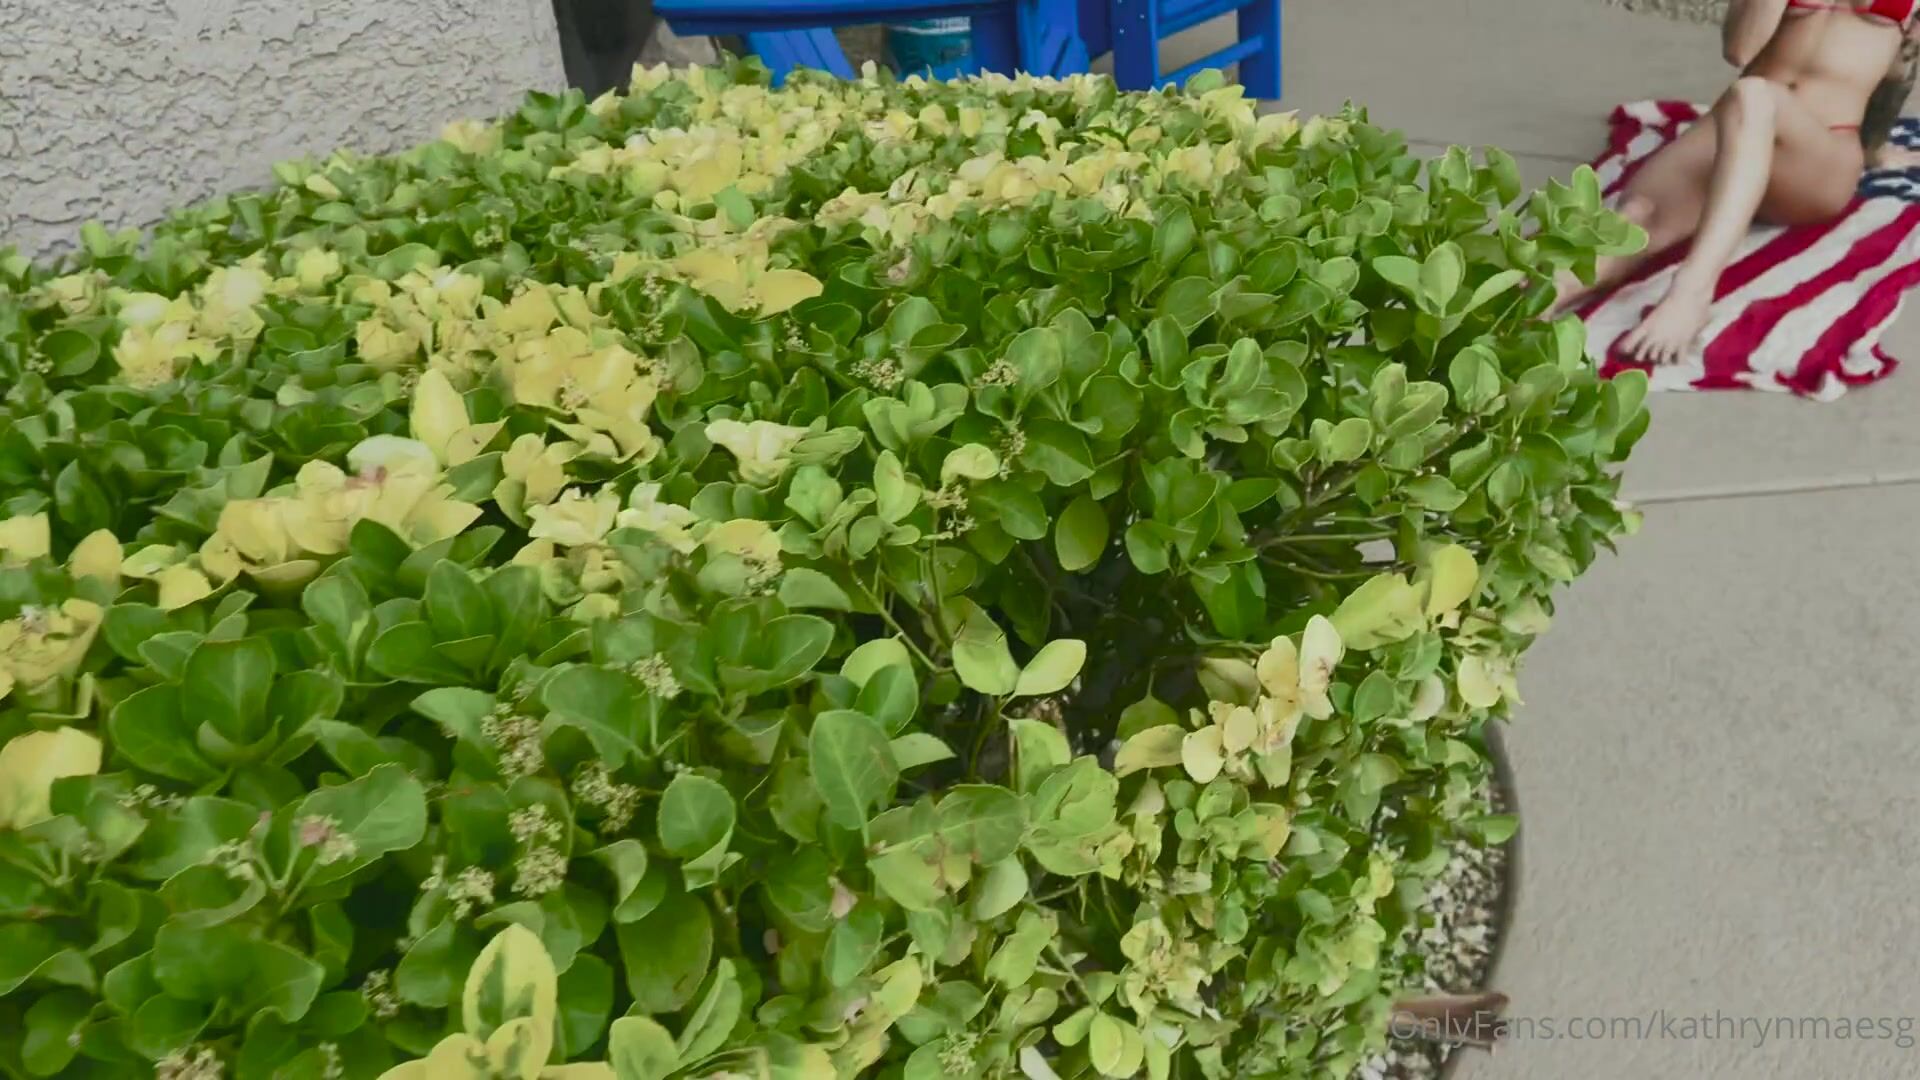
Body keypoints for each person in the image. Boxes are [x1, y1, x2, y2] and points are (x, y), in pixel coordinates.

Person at [1554, 0, 1920, 364]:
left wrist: (1874, 149)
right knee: (1637, 216)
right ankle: (1530, 302)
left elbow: (1902, 67)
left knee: (1755, 95)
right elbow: (1742, 50)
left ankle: (1692, 293)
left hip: (1819, 152)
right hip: (1736, 131)